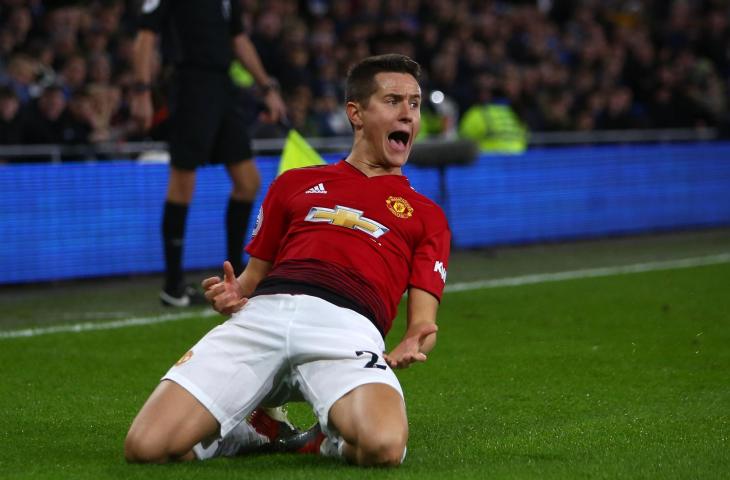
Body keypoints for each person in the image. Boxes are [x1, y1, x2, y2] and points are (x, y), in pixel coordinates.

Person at [124, 54, 451, 467]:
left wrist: (413, 340)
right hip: (264, 316)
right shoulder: (293, 183)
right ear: (356, 113)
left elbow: (424, 322)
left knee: (384, 447)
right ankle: (250, 433)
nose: (407, 114)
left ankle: (326, 440)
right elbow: (252, 279)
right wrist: (233, 293)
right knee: (146, 447)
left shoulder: (427, 215)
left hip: (347, 328)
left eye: (415, 103)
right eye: (393, 101)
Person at [130, 0, 286, 307]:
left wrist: (267, 87)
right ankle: (173, 286)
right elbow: (145, 38)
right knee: (183, 183)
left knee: (248, 181)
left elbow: (238, 39)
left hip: (221, 88)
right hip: (189, 86)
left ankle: (236, 276)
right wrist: (142, 91)